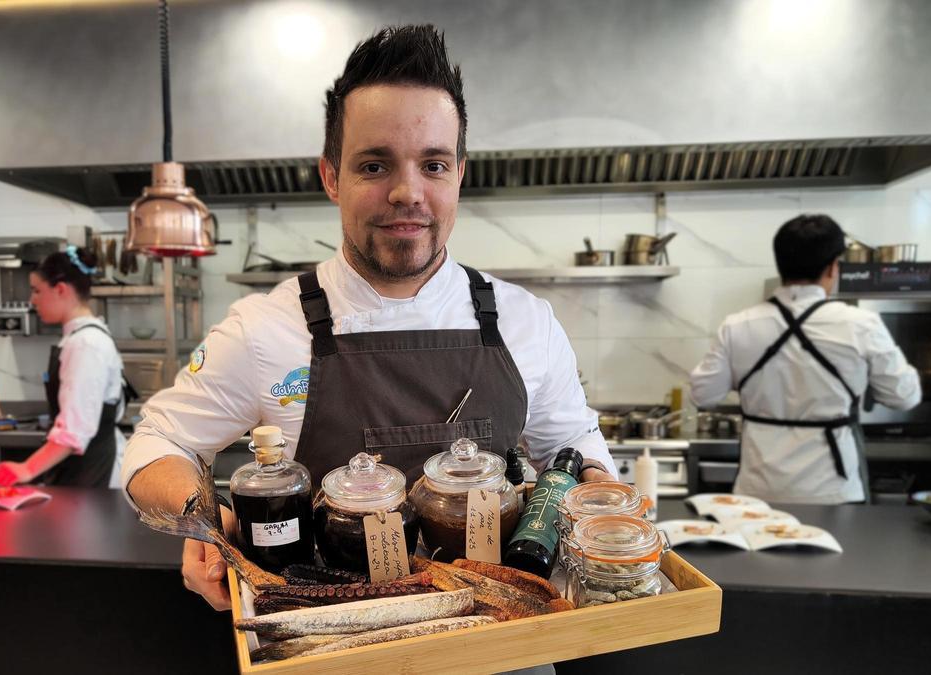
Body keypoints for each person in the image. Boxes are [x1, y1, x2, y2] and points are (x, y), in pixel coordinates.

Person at [122, 25, 617, 611]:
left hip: (504, 638)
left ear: (459, 174)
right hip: (335, 646)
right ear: (331, 175)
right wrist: (207, 525)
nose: (408, 192)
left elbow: (572, 444)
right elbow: (157, 442)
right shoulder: (266, 328)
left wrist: (600, 491)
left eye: (432, 165)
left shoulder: (524, 320)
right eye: (375, 166)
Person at [690, 214, 921, 504]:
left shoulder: (738, 325)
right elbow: (905, 397)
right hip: (833, 490)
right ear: (833, 267)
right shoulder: (862, 325)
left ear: (780, 263)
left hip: (759, 489)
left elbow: (703, 395)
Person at [0, 246, 132, 489]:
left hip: (94, 475)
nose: (32, 300)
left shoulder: (85, 344)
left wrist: (26, 469)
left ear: (61, 289)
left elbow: (75, 430)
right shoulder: (82, 338)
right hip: (83, 471)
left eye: (36, 290)